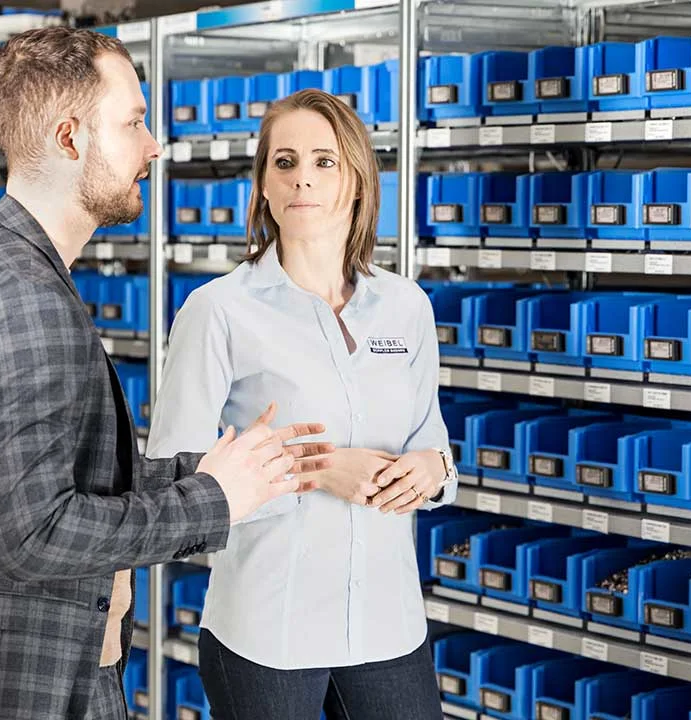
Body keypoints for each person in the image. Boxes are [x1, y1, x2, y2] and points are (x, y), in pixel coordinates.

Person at [0, 28, 334, 720]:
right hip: (16, 689)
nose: (154, 145)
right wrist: (214, 501)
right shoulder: (20, 304)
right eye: (132, 123)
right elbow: (39, 534)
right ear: (70, 139)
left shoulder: (11, 266)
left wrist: (203, 470)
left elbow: (58, 474)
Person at [146, 88, 460, 720]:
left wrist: (433, 472)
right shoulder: (220, 311)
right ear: (262, 184)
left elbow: (434, 443)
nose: (303, 180)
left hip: (388, 625)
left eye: (325, 160)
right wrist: (315, 472)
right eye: (284, 162)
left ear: (357, 178)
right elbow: (169, 474)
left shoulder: (407, 306)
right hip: (267, 631)